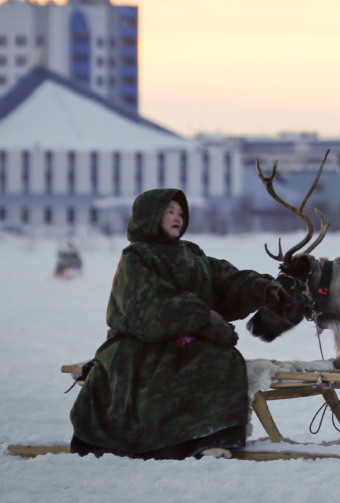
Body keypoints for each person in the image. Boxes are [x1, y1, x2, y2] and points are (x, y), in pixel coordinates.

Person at [69, 188, 287, 459]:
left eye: (180, 213)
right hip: (141, 346)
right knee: (205, 361)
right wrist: (202, 319)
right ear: (150, 217)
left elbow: (223, 278)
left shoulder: (190, 253)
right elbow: (148, 304)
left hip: (185, 340)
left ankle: (212, 437)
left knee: (222, 358)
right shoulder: (136, 257)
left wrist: (258, 287)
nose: (177, 218)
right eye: (169, 212)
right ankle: (173, 442)